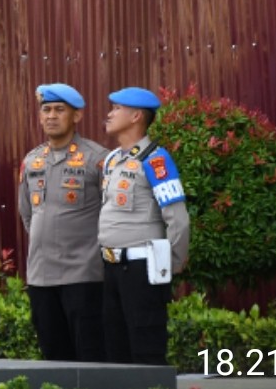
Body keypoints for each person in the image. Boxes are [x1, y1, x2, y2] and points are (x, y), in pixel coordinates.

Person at [99, 87, 190, 365]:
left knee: (145, 346)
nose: (109, 113)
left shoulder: (155, 159)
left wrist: (171, 264)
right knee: (115, 347)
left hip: (142, 268)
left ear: (136, 115)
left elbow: (177, 217)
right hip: (111, 266)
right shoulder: (113, 160)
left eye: (116, 108)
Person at [17, 83, 107, 362]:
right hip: (41, 276)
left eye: (59, 110)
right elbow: (27, 214)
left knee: (90, 357)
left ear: (76, 116)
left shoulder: (97, 159)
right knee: (53, 356)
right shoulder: (32, 160)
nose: (51, 116)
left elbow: (112, 213)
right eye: (46, 110)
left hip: (83, 276)